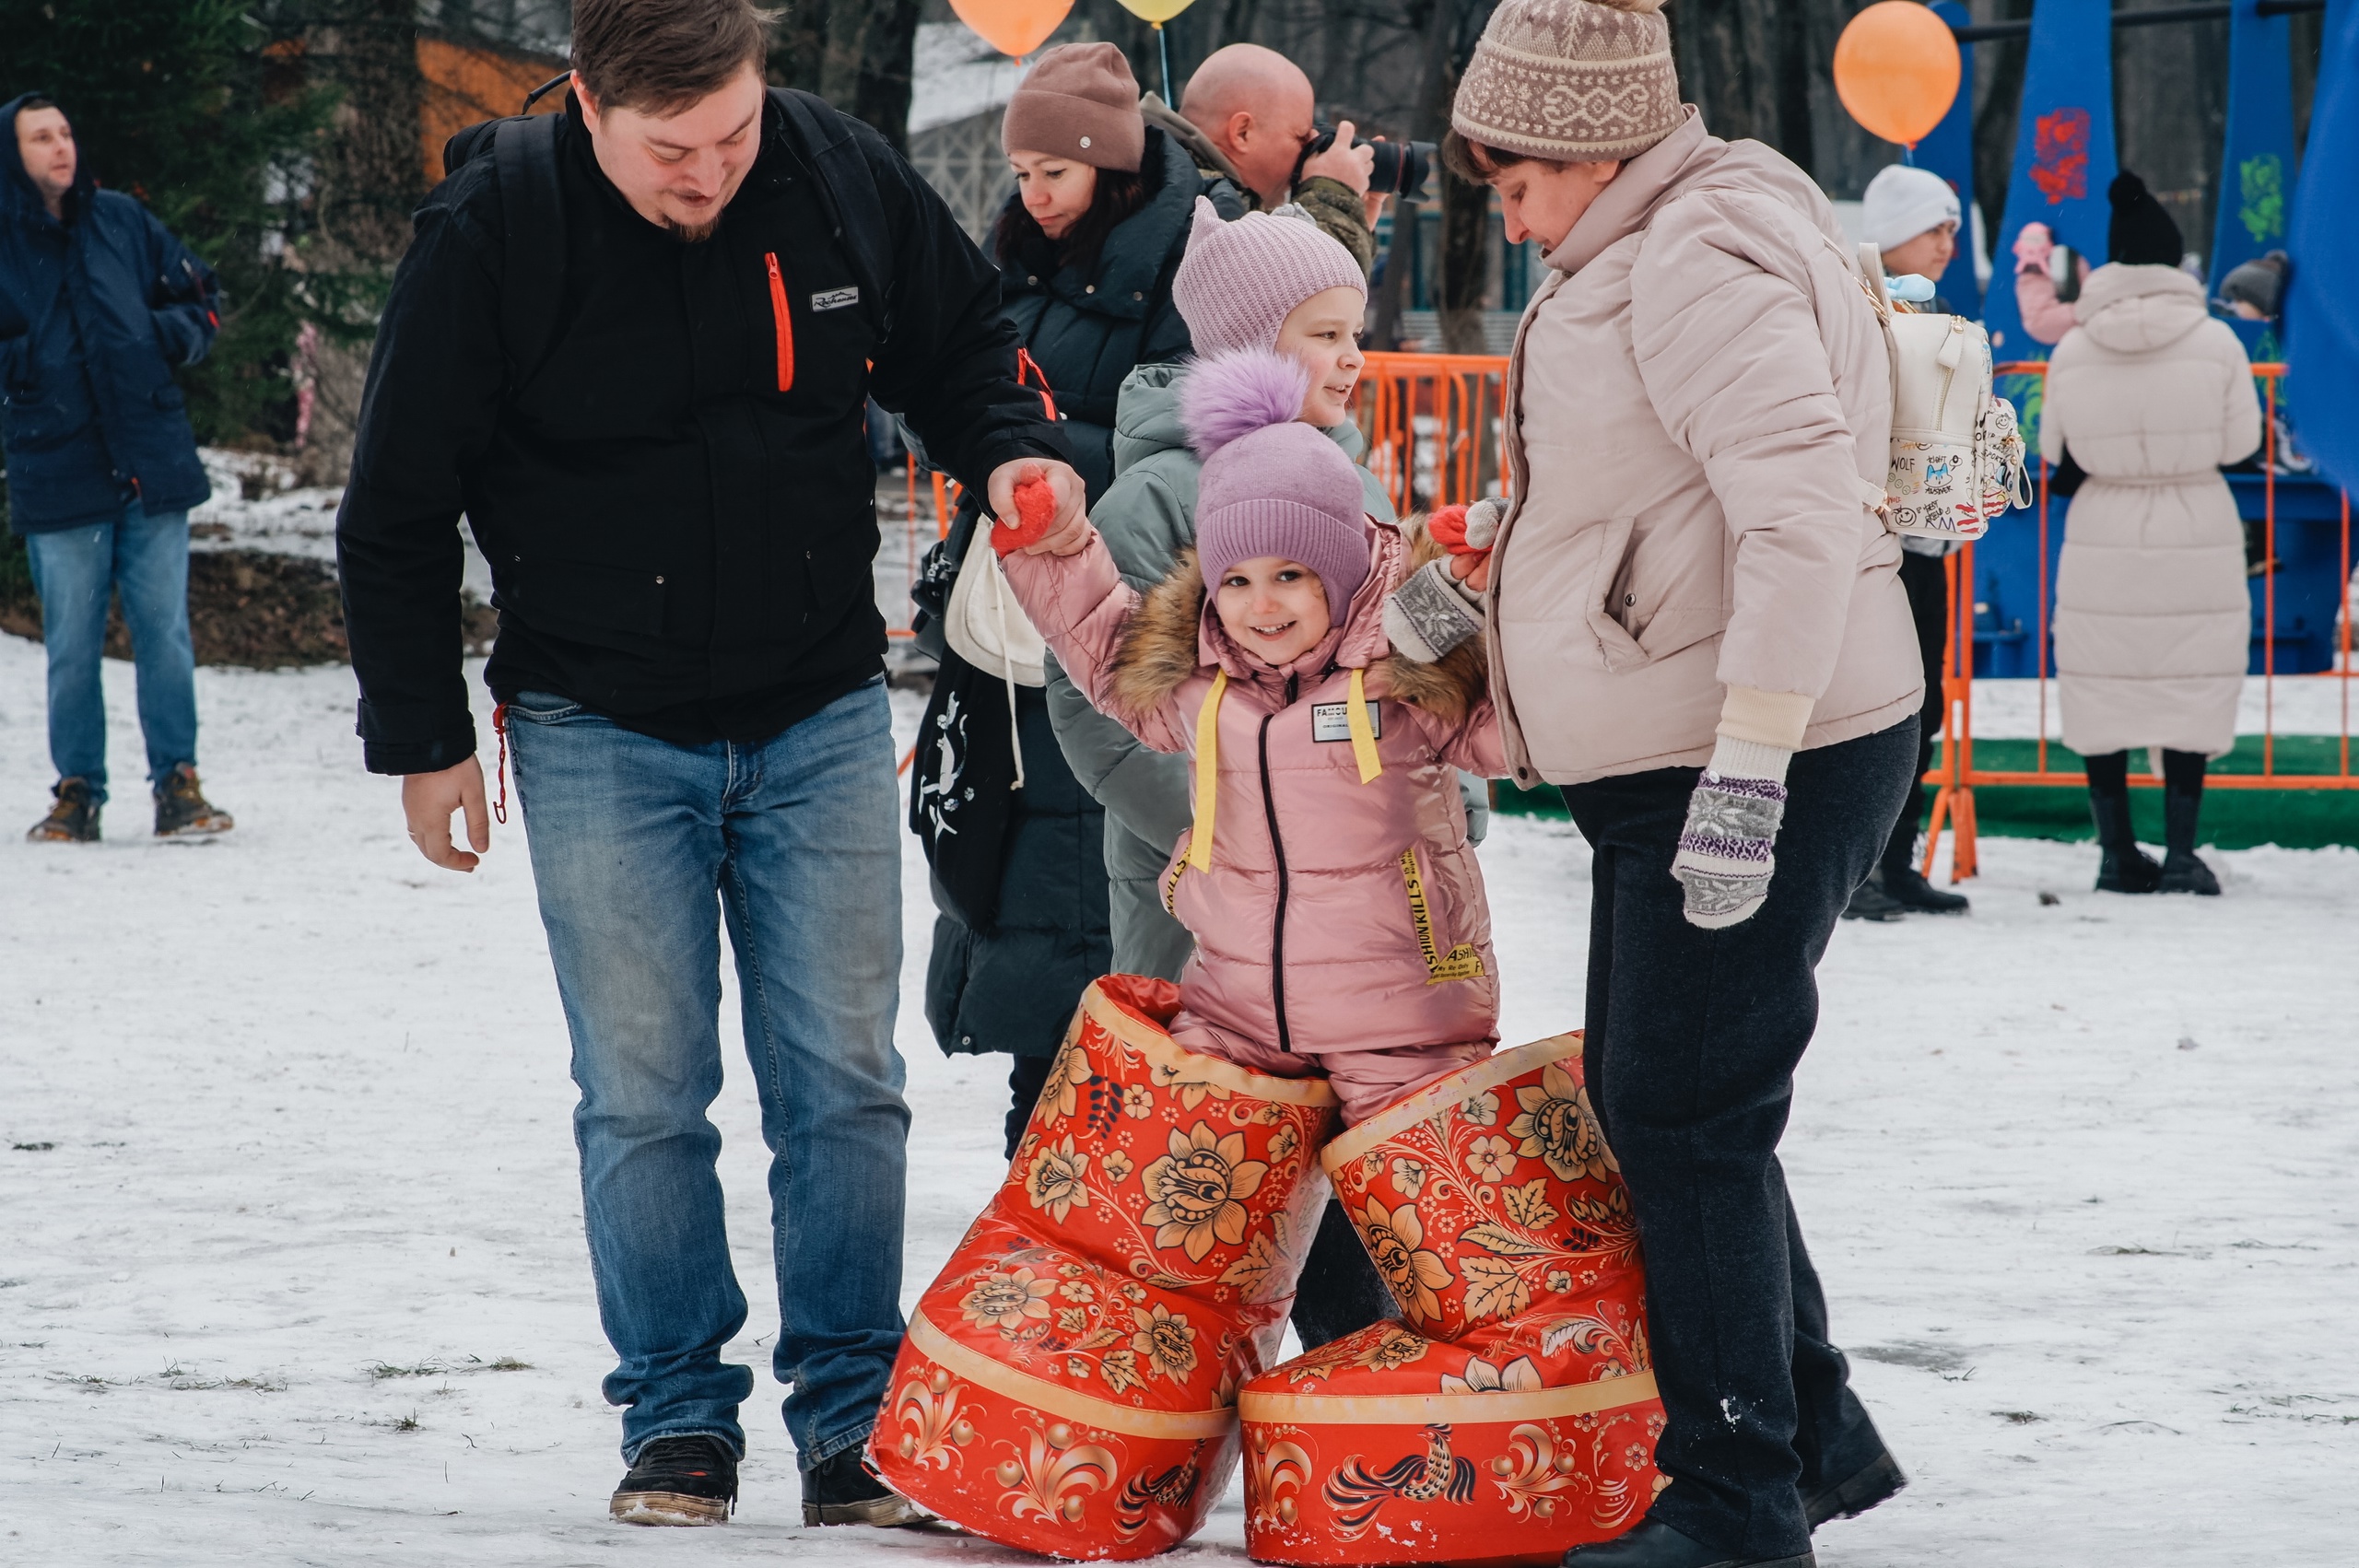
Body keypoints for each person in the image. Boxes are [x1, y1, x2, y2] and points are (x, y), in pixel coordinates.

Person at [333, 0, 1083, 1530]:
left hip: (810, 703)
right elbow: (398, 499)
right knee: (644, 1088)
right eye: (673, 149)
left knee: (845, 1081)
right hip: (597, 721)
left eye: (735, 131)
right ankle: (678, 1416)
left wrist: (1006, 441)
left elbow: (957, 342)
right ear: (589, 107)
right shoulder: (499, 224)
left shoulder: (833, 169)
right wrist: (419, 739)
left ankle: (853, 1416)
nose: (712, 172)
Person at [1433, 0, 1920, 1562]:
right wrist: (1496, 605)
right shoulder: (1671, 235)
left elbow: (1791, 514)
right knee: (1668, 1103)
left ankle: (1736, 1500)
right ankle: (1810, 1431)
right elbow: (1645, 501)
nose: (1506, 215)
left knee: (1688, 1114)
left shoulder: (1691, 259)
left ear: (1591, 148)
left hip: (1744, 748)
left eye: (1514, 183)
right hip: (1695, 741)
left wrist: (1751, 765)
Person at [1039, 197, 1406, 1349]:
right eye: (1324, 332)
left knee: (1356, 1179)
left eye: (1356, 329)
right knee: (1202, 1188)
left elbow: (1411, 675)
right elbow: (1095, 704)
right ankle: (1157, 1426)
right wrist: (1236, 835)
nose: (1353, 356)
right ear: (1249, 347)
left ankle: (1355, 1407)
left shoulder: (1358, 481)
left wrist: (1451, 816)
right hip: (1202, 913)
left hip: (1364, 924)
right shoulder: (1158, 500)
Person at [924, 41, 1191, 1160]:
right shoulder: (1013, 261)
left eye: (1054, 172)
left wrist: (1038, 462)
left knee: (1109, 908)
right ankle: (1037, 1166)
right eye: (1021, 171)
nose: (1031, 195)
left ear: (1110, 164)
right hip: (1011, 623)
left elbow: (1184, 434)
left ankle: (1097, 1154)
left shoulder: (1178, 265)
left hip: (1120, 614)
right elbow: (961, 394)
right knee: (1024, 888)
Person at [1, 93, 233, 844]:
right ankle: (77, 793)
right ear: (13, 153)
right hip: (56, 466)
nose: (59, 147)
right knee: (71, 642)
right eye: (40, 137)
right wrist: (28, 364)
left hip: (149, 464)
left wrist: (156, 336)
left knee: (163, 632)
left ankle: (179, 784)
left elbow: (205, 300)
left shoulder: (124, 222)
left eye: (66, 132)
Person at [2042, 171, 2262, 895]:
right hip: (2194, 521)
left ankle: (2115, 853)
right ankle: (2181, 856)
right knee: (2190, 685)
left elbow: (2053, 450)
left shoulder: (2071, 349)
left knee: (2101, 686)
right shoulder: (2217, 341)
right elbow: (2239, 443)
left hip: (2102, 523)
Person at [1846, 164, 1972, 919]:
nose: (1949, 243)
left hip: (1926, 548)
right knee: (1867, 709)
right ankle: (1854, 869)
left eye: (1954, 227)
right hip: (1872, 544)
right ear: (1896, 234)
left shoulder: (1940, 312)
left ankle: (1896, 862)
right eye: (1937, 227)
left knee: (1921, 709)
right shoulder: (1858, 308)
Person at [1141, 42, 1384, 276]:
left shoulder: (1160, 176)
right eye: (1300, 137)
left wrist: (1353, 224)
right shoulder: (1201, 204)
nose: (1306, 155)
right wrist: (1335, 199)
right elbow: (1285, 297)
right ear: (1242, 132)